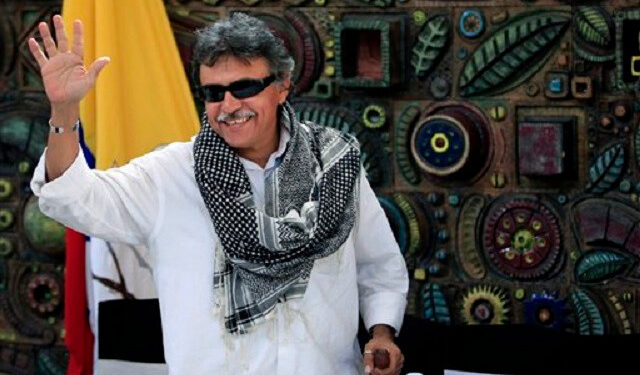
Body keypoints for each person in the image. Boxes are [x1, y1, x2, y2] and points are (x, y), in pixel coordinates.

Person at [28, 12, 408, 375]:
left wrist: (381, 332)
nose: (229, 105)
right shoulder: (172, 174)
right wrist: (64, 110)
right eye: (214, 92)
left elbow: (379, 265)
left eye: (244, 87)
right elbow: (73, 197)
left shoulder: (335, 165)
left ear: (282, 86)